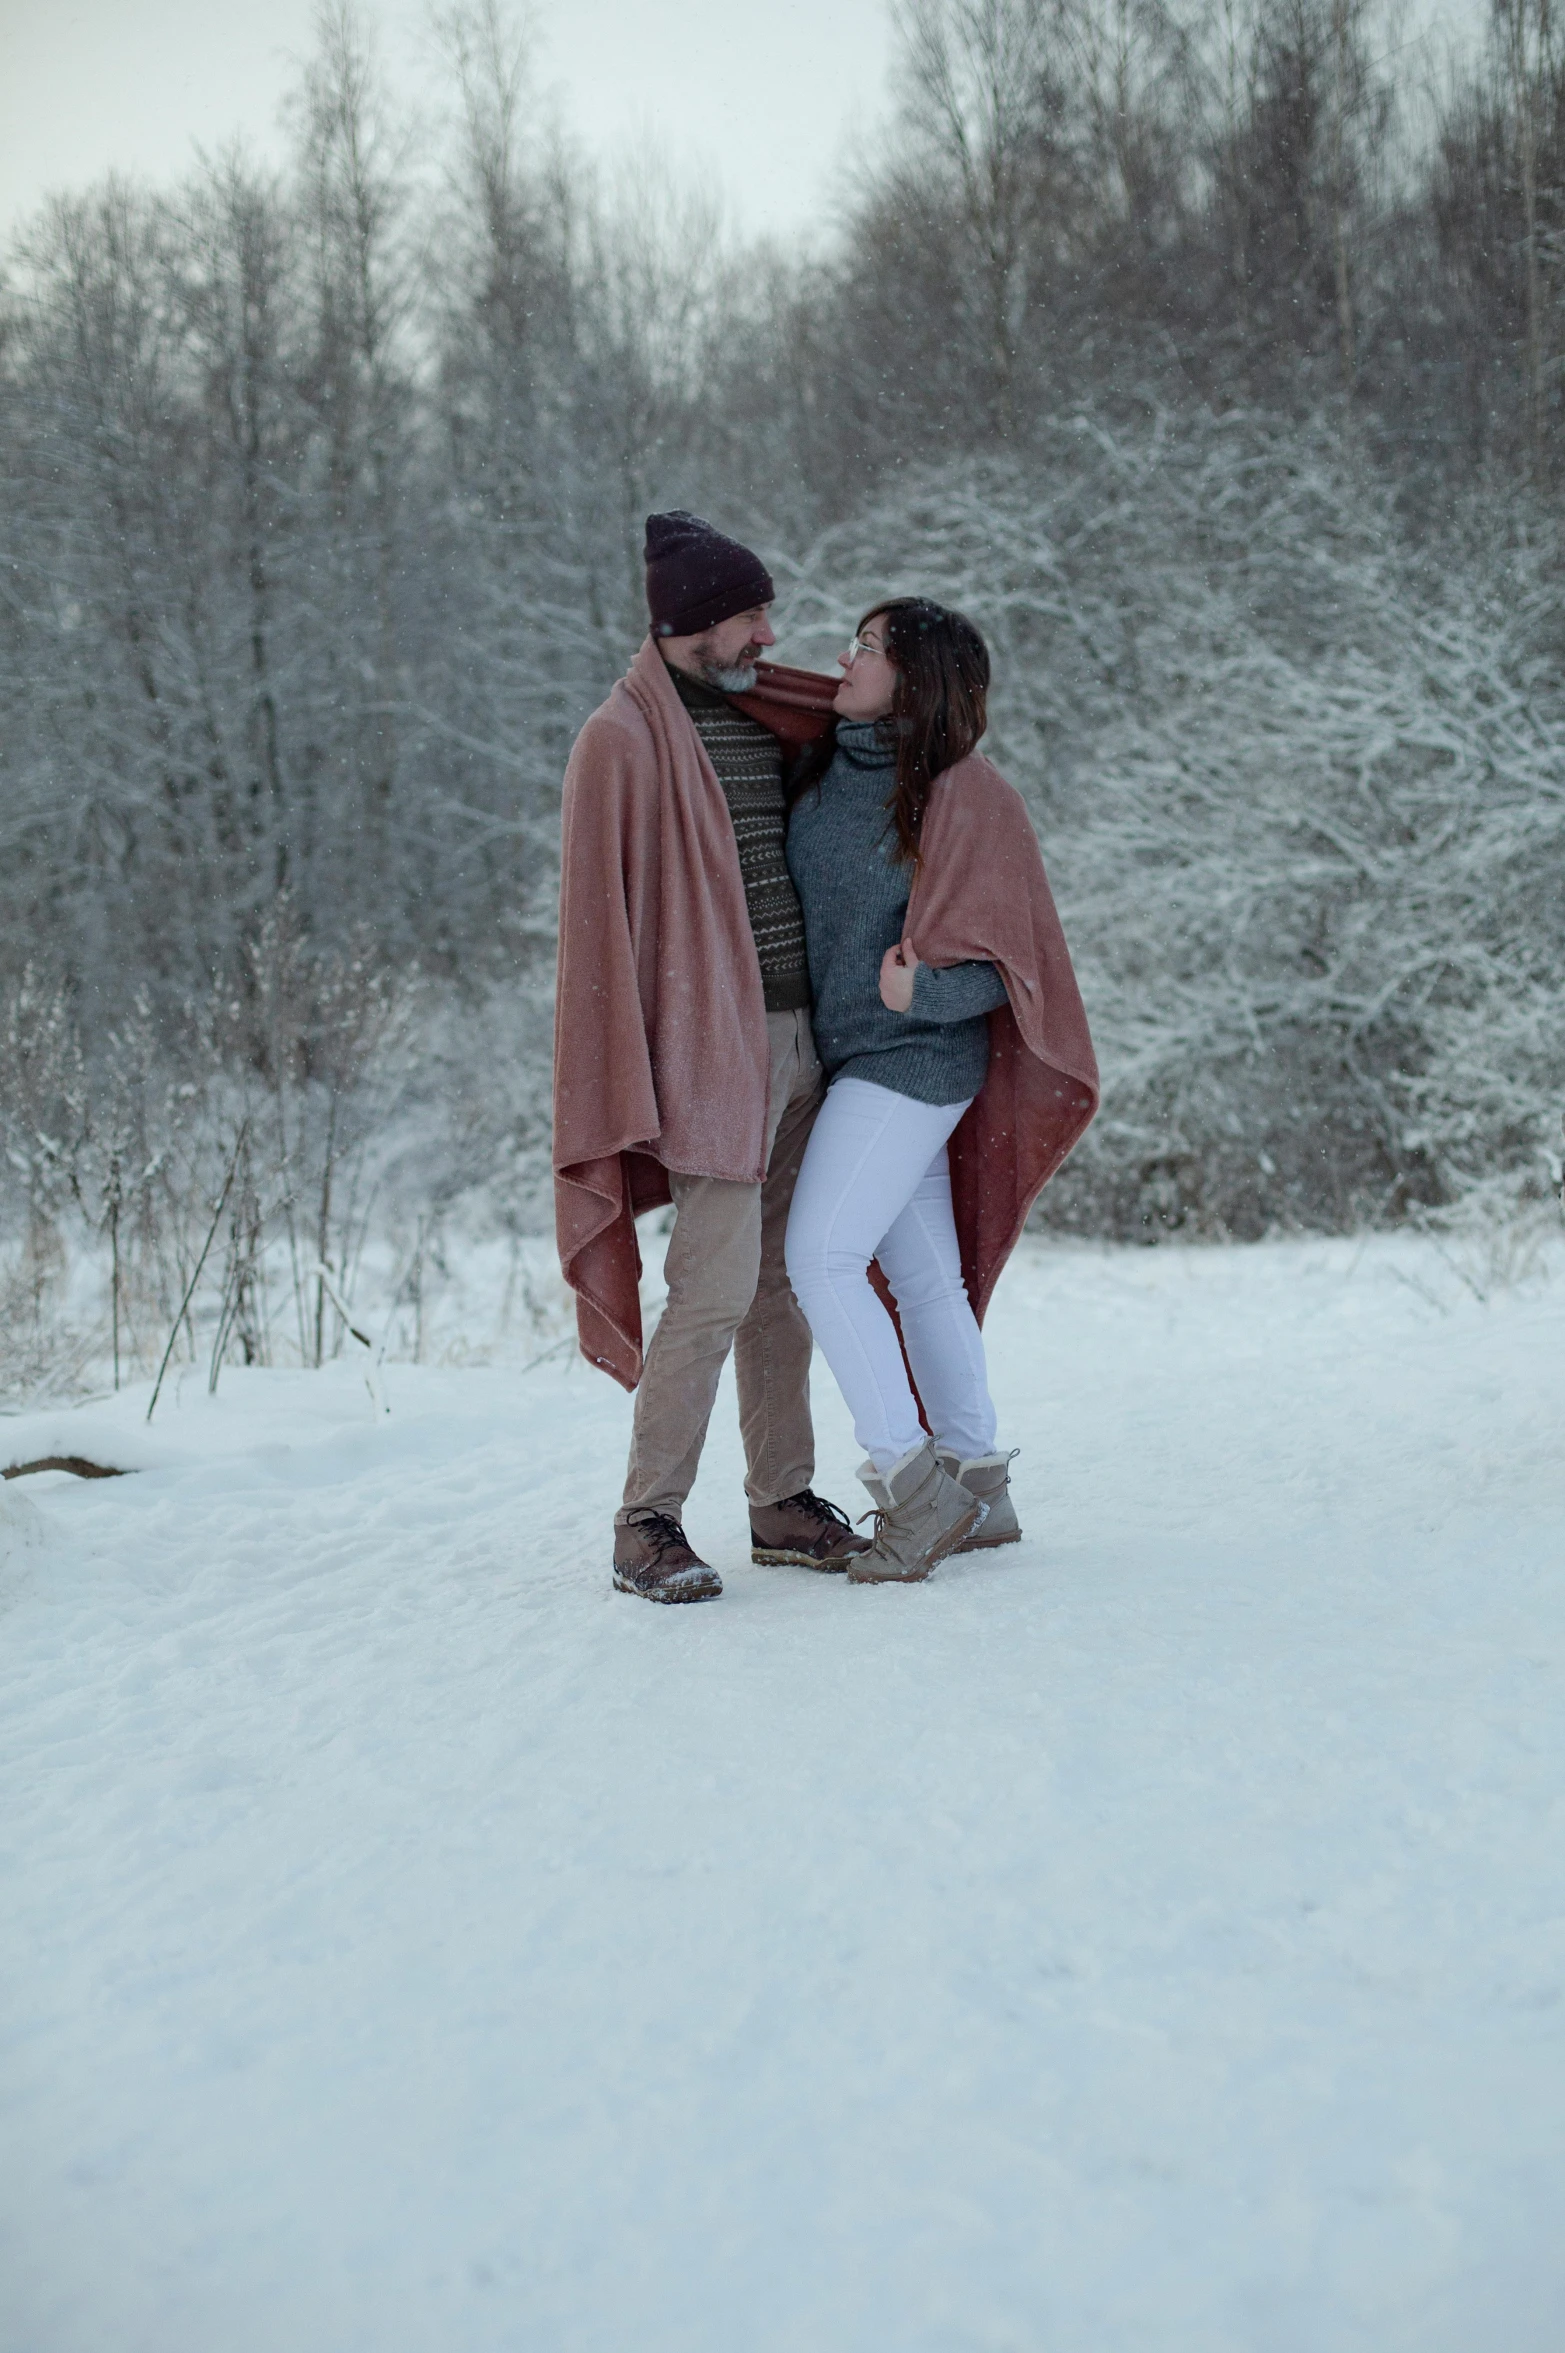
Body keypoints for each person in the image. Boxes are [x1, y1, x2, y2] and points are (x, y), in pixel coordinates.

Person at [552, 512, 869, 1602]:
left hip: (799, 1041)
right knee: (712, 1287)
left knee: (782, 1283)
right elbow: (599, 930)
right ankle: (645, 1521)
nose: (766, 638)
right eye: (747, 617)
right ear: (689, 624)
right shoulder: (621, 742)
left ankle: (781, 1501)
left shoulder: (762, 720)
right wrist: (630, 1072)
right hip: (707, 1052)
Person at [783, 599, 1099, 1583]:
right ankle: (977, 1484)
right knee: (923, 1279)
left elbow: (1014, 964)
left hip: (911, 1064)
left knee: (818, 1257)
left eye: (867, 648)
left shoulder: (965, 796)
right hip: (853, 1061)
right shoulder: (828, 765)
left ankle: (912, 1492)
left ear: (914, 678)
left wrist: (917, 986)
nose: (843, 657)